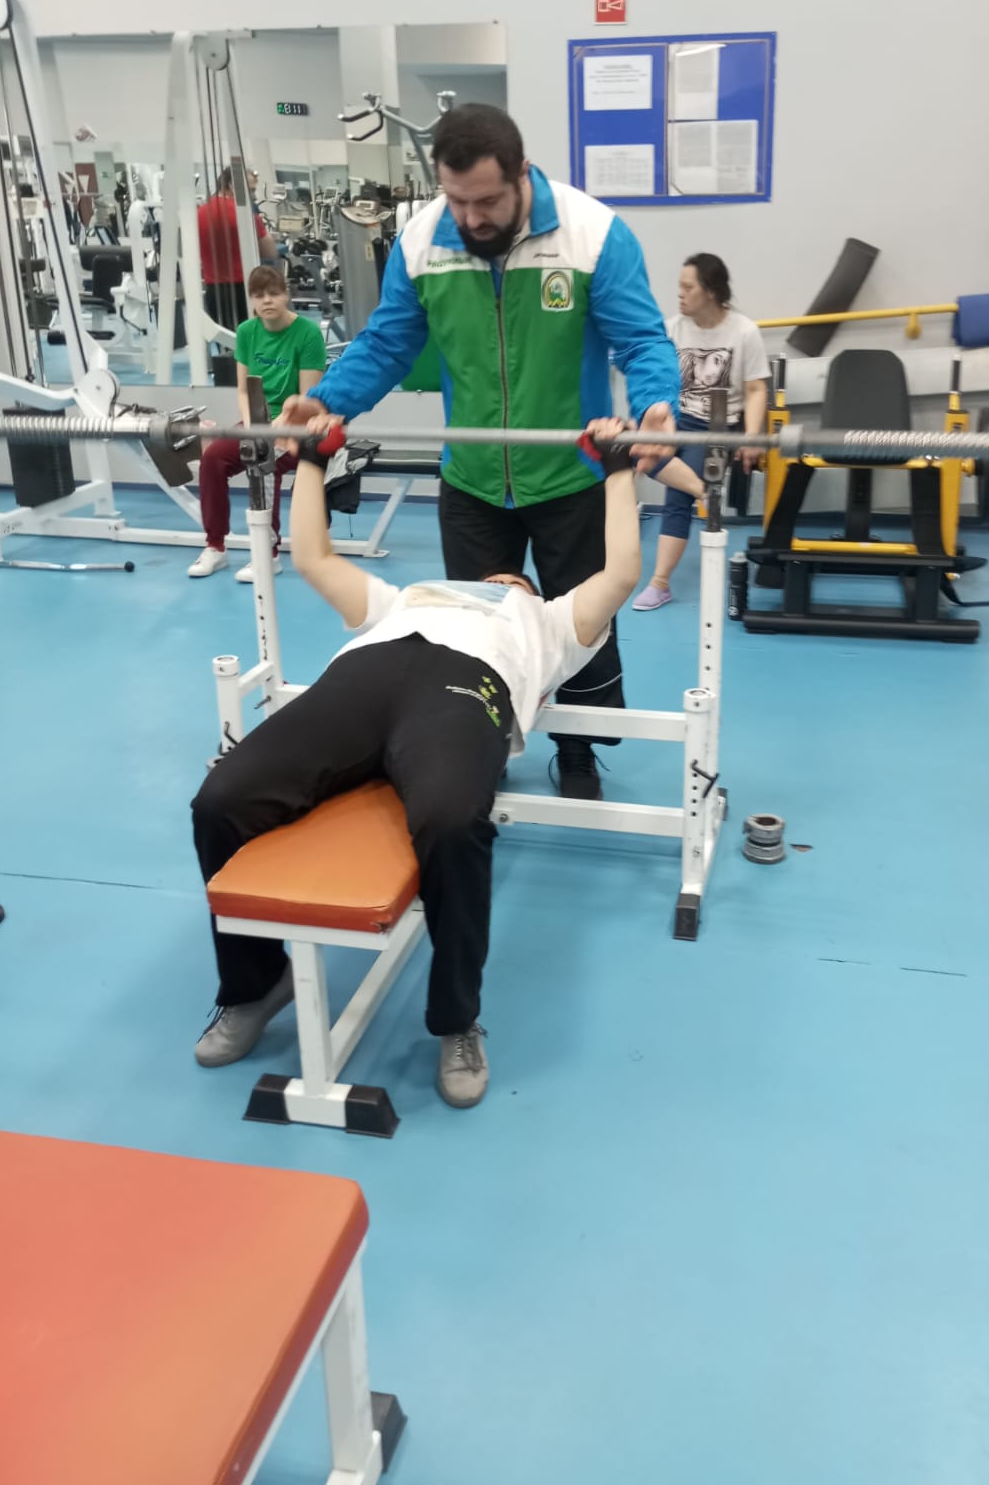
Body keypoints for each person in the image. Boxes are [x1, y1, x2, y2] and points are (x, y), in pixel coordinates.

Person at [190, 416, 653, 1108]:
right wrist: (313, 460)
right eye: (499, 576)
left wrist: (618, 469)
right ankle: (255, 985)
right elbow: (314, 559)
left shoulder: (550, 621)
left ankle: (456, 1019)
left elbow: (620, 573)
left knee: (452, 822)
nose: (505, 579)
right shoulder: (407, 598)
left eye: (517, 580)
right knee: (219, 800)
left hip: (466, 687)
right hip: (365, 675)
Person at [277, 103, 680, 802]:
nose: (471, 217)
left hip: (571, 477)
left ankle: (577, 748)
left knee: (582, 631)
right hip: (470, 482)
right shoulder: (422, 240)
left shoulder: (592, 234)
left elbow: (642, 341)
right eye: (456, 200)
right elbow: (388, 343)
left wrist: (653, 404)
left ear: (522, 173)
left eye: (487, 201)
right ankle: (478, 749)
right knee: (472, 643)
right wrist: (329, 400)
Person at [633, 254, 770, 611]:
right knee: (637, 453)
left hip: (718, 424)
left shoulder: (743, 331)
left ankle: (660, 583)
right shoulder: (672, 328)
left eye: (687, 287)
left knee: (676, 497)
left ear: (710, 291)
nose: (679, 294)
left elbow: (756, 389)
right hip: (678, 419)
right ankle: (704, 493)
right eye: (679, 286)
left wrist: (752, 438)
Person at [187, 266, 327, 580]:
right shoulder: (247, 332)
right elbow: (242, 390)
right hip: (258, 422)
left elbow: (307, 400)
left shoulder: (308, 334)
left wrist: (274, 429)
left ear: (286, 295)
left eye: (274, 294)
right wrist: (254, 426)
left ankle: (268, 553)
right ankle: (215, 546)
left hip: (297, 428)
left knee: (264, 462)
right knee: (212, 459)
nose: (267, 301)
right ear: (251, 299)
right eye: (259, 295)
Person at [197, 166, 278, 333]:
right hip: (245, 290)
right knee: (253, 342)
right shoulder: (245, 214)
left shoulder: (199, 213)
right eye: (251, 190)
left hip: (214, 291)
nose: (253, 196)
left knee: (226, 340)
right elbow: (270, 252)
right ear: (232, 186)